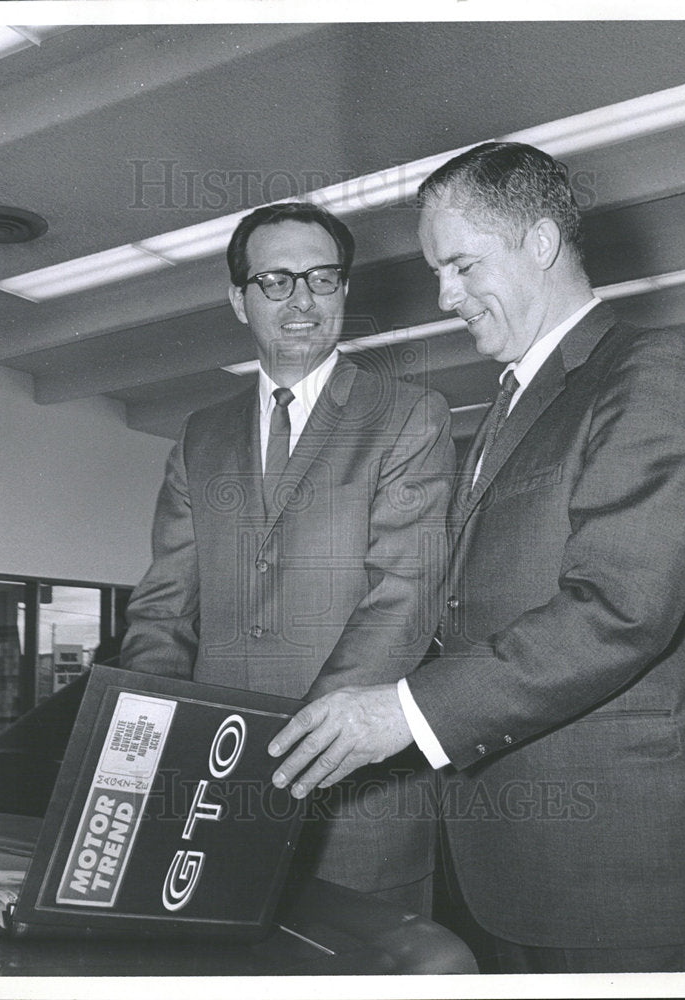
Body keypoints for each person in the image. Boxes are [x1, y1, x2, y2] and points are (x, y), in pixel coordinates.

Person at [268, 143, 685, 973]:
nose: (447, 296)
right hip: (502, 865)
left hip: (615, 879)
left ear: (542, 243)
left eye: (462, 265)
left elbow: (620, 608)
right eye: (439, 272)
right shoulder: (507, 408)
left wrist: (401, 713)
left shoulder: (651, 373)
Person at [121, 201, 455, 914]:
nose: (302, 301)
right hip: (207, 797)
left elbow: (402, 603)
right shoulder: (200, 436)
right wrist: (162, 742)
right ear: (237, 299)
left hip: (357, 802)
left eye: (322, 279)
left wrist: (277, 760)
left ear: (344, 290)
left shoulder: (408, 416)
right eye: (276, 281)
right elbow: (162, 607)